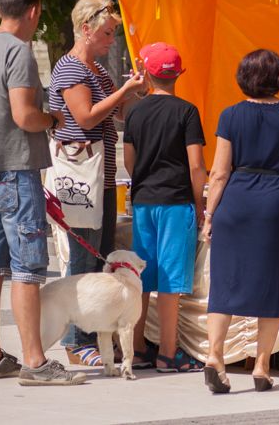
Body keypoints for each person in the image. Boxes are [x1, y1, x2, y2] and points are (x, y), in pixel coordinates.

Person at [0, 0, 85, 385]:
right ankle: (35, 361)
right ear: (33, 11)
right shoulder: (18, 51)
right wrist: (53, 120)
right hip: (16, 172)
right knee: (28, 269)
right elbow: (23, 114)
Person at [202, 49, 279, 394]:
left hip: (235, 203)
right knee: (275, 283)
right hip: (275, 204)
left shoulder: (230, 115)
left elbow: (220, 173)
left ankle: (214, 356)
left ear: (243, 78)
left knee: (225, 282)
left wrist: (209, 216)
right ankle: (263, 367)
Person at [48, 0, 145, 366]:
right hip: (81, 177)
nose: (110, 42)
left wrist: (133, 92)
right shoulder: (71, 69)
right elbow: (86, 117)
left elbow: (114, 117)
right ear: (85, 29)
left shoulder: (98, 70)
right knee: (84, 258)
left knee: (99, 254)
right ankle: (75, 340)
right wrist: (123, 92)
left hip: (100, 176)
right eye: (106, 34)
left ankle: (90, 335)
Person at [124, 42, 207, 372]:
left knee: (143, 278)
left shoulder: (135, 112)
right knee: (171, 281)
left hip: (144, 201)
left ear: (147, 73)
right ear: (178, 75)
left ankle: (138, 347)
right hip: (176, 202)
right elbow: (197, 165)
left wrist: (145, 181)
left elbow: (129, 160)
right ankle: (168, 353)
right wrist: (199, 202)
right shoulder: (187, 111)